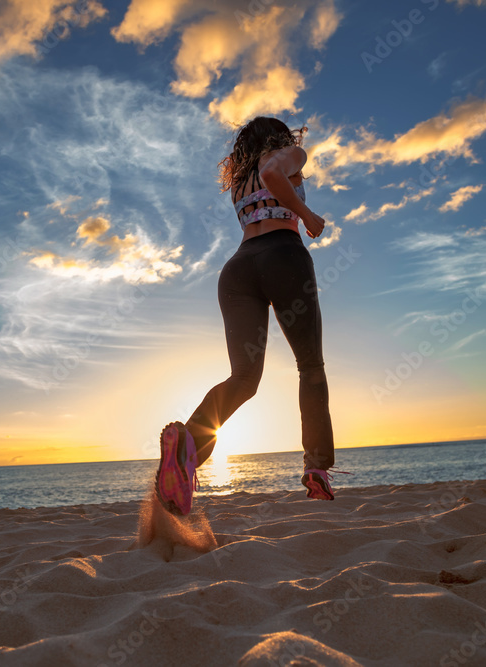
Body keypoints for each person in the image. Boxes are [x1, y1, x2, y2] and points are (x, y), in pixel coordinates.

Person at [155, 116, 338, 516]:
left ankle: (187, 450)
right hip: (283, 257)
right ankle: (317, 468)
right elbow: (275, 172)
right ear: (282, 137)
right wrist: (306, 215)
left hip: (238, 271)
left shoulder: (240, 181)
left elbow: (263, 180)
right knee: (310, 365)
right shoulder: (288, 156)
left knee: (243, 379)